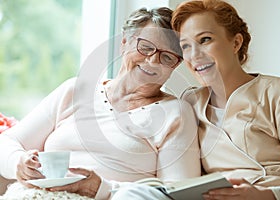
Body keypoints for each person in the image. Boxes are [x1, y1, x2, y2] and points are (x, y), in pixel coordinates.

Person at [0, 7, 201, 200]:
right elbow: (7, 142)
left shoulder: (176, 113)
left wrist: (102, 188)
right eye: (146, 48)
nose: (152, 61)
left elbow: (180, 192)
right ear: (124, 43)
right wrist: (18, 163)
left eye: (167, 57)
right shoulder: (75, 90)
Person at [171, 0, 280, 199]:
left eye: (205, 39)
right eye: (185, 46)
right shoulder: (190, 102)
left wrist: (265, 196)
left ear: (236, 43)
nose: (194, 55)